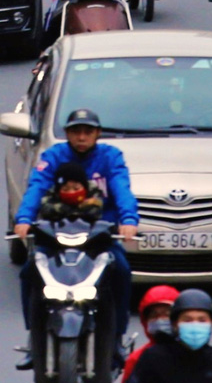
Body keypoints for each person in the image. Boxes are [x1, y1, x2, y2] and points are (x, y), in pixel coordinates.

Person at [10, 108, 139, 359]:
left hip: (99, 234)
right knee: (30, 272)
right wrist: (24, 219)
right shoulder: (54, 156)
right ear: (67, 134)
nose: (81, 137)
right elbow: (36, 187)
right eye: (76, 131)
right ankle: (33, 338)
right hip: (57, 231)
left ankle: (116, 339)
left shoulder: (111, 157)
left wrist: (128, 221)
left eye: (87, 132)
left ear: (98, 134)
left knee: (121, 270)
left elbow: (122, 189)